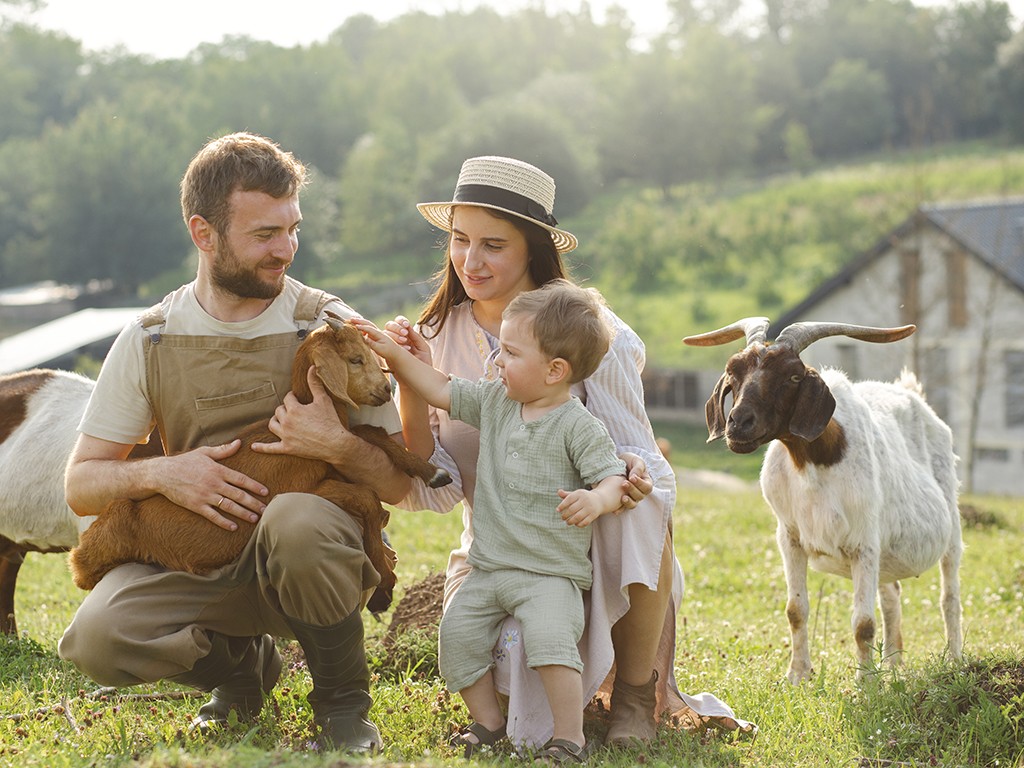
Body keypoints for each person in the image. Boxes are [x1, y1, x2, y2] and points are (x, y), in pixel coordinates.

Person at [57, 131, 410, 754]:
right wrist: (163, 474)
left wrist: (339, 447)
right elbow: (82, 483)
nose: (287, 251)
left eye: (292, 229)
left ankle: (342, 701)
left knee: (297, 519)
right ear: (204, 233)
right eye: (265, 235)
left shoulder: (328, 325)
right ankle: (242, 676)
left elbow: (400, 482)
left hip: (308, 560)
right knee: (96, 640)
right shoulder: (150, 340)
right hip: (198, 554)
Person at [388, 155, 754, 750]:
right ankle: (506, 712)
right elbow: (436, 485)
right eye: (459, 240)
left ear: (532, 249)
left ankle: (636, 692)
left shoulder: (589, 333)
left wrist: (626, 476)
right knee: (499, 654)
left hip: (583, 548)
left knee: (641, 503)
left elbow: (642, 464)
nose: (470, 261)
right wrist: (409, 380)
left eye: (493, 245)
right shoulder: (435, 338)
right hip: (499, 547)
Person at [357, 280, 627, 762]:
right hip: (489, 566)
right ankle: (488, 722)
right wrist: (396, 358)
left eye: (510, 352)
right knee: (456, 636)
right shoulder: (495, 401)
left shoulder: (578, 424)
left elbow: (612, 477)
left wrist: (597, 499)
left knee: (550, 642)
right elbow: (439, 387)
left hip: (548, 574)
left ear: (554, 370)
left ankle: (570, 736)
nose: (496, 360)